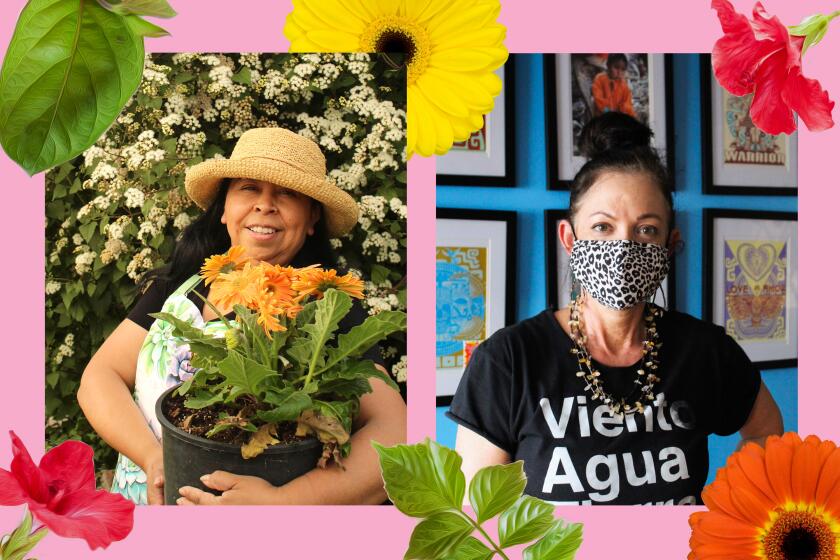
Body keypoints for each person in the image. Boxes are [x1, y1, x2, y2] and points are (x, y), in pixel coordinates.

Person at [447, 113, 783, 505]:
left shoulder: (706, 350)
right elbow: (474, 508)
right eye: (603, 227)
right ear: (570, 239)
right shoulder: (508, 360)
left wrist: (728, 508)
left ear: (670, 244)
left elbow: (766, 432)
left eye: (646, 229)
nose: (623, 248)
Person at [78, 127, 406, 506]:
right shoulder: (179, 285)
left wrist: (284, 504)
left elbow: (396, 433)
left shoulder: (324, 310)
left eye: (287, 193)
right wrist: (155, 460)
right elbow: (99, 377)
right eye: (249, 188)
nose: (265, 205)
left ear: (312, 217)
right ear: (225, 209)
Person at [591, 53, 637, 118]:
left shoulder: (624, 86)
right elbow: (598, 98)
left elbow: (627, 104)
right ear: (608, 65)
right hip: (602, 115)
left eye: (623, 69)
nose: (619, 72)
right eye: (616, 67)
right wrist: (607, 111)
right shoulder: (600, 79)